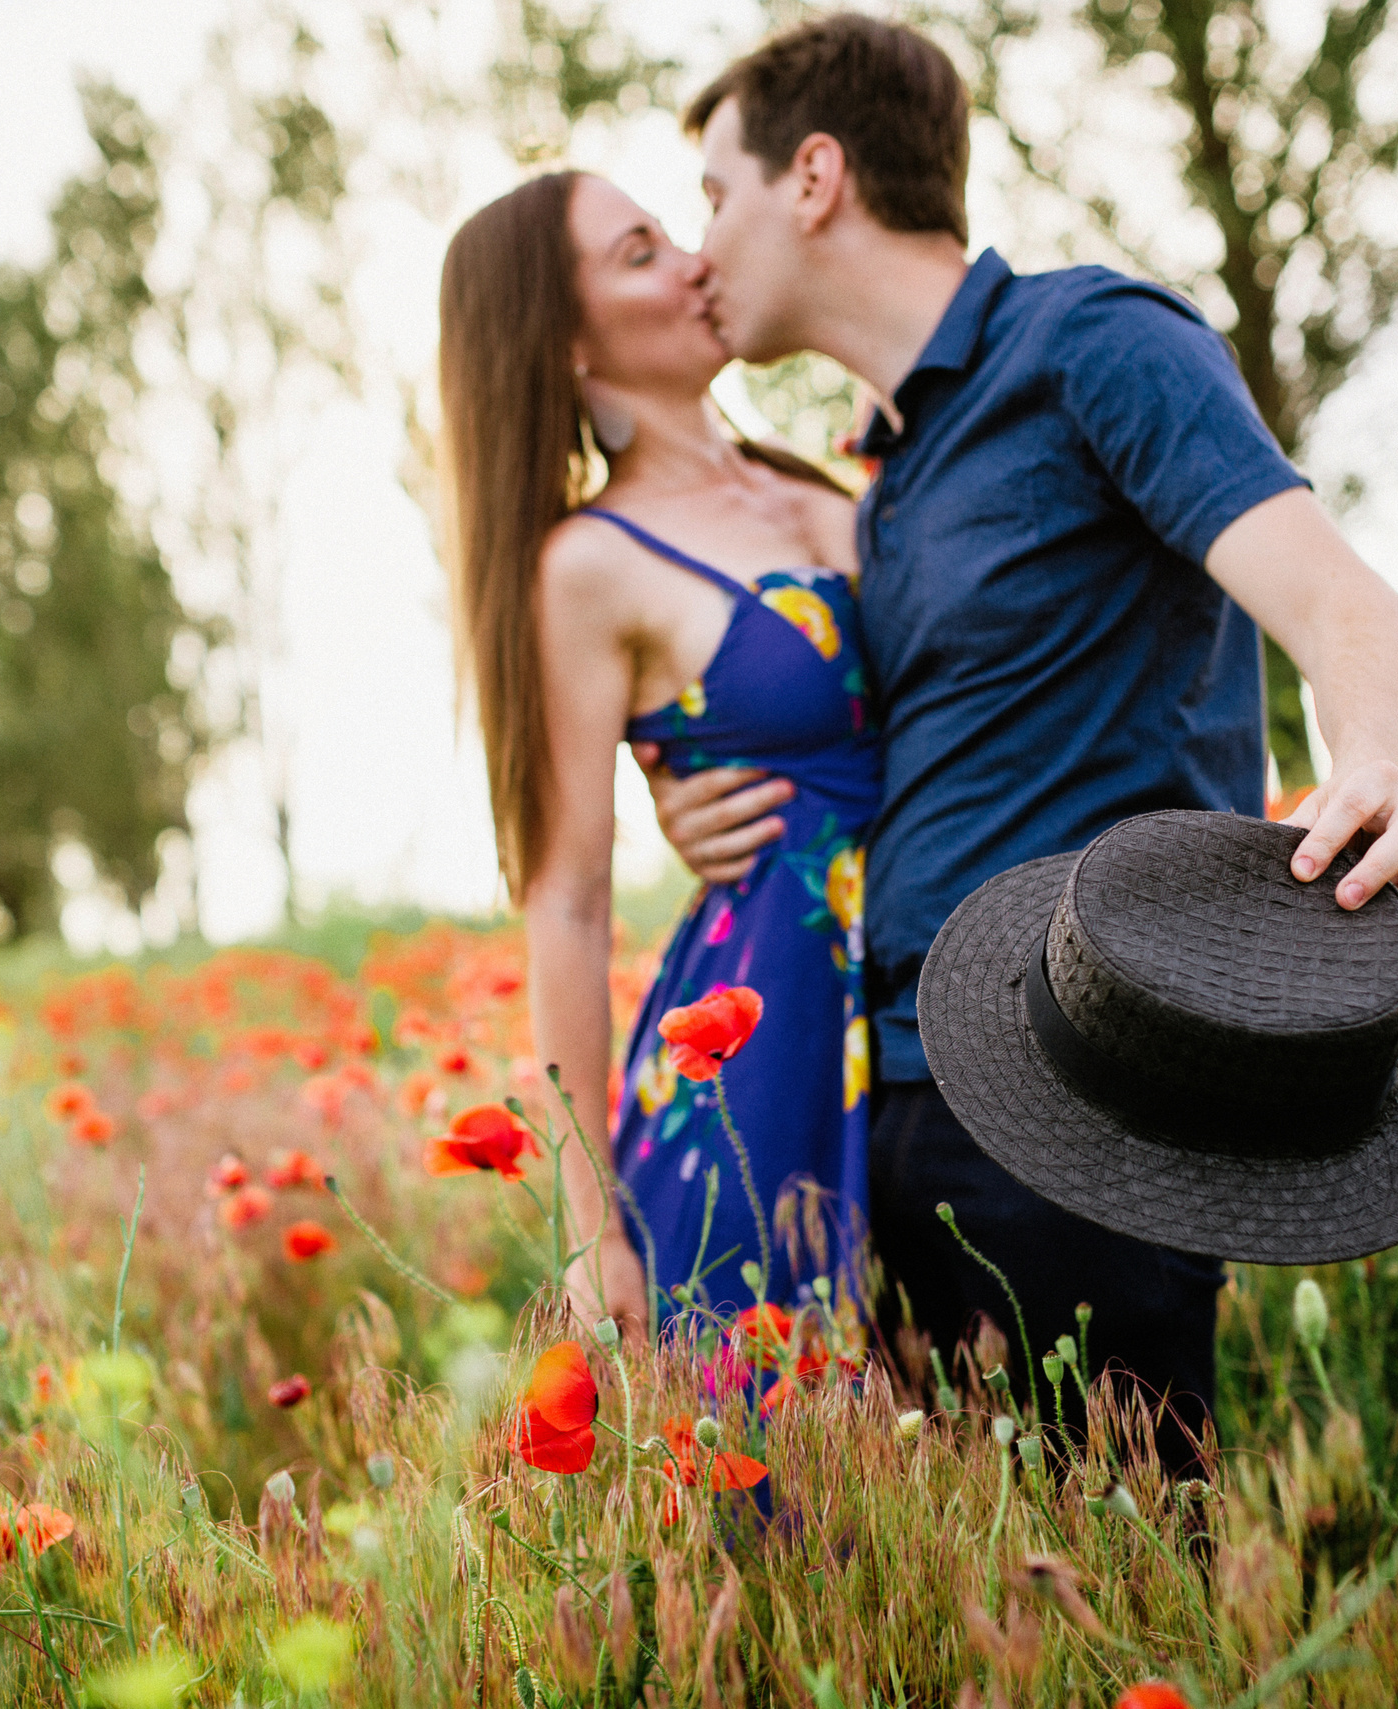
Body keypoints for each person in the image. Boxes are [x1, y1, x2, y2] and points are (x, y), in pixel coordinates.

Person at [642, 15, 1398, 1469]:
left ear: (814, 176)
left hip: (1082, 1095)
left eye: (716, 193)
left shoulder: (1093, 347)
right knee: (954, 1617)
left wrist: (1380, 765)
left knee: (1125, 1587)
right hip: (878, 1098)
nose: (700, 244)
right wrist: (692, 813)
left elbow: (1343, 603)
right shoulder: (884, 477)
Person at [438, 171, 883, 1335]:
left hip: (939, 985)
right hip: (770, 1038)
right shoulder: (585, 567)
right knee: (824, 1480)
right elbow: (568, 897)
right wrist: (592, 1232)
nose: (694, 261)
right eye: (640, 253)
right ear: (566, 342)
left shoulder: (807, 475)